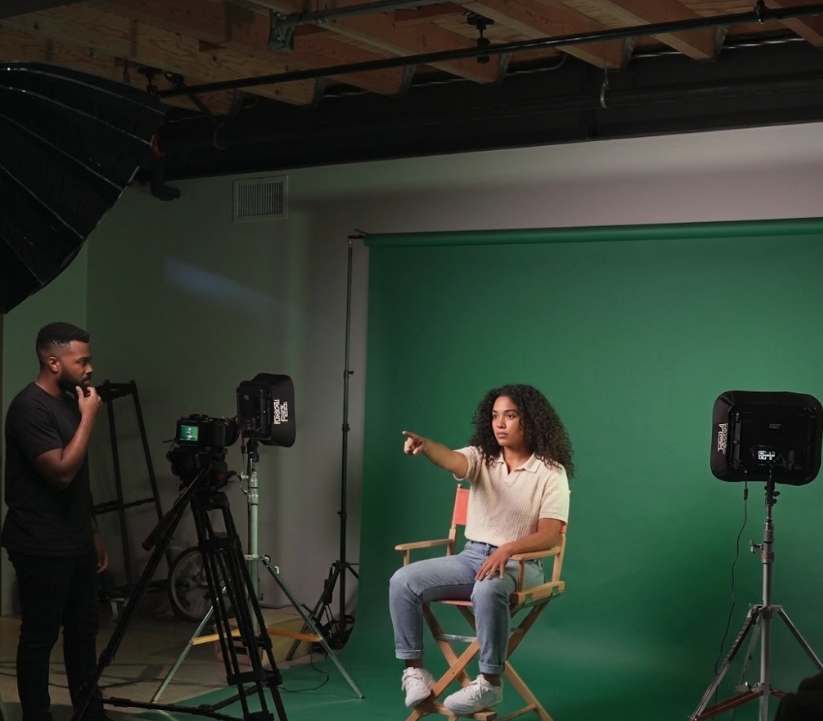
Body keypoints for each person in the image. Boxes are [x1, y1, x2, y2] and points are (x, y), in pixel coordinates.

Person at [389, 384, 573, 716]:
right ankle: (414, 671)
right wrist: (427, 446)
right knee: (403, 580)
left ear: (530, 421)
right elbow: (452, 460)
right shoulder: (481, 458)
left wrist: (509, 550)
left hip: (522, 565)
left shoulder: (550, 472)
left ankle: (489, 684)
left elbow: (548, 536)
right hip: (472, 557)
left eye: (511, 416)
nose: (500, 424)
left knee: (488, 590)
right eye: (495, 416)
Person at [1, 322, 109, 721]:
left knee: (84, 633)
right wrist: (88, 420)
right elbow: (61, 472)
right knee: (39, 638)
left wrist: (93, 531)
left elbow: (80, 480)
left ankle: (89, 713)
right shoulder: (29, 408)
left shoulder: (69, 403)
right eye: (81, 361)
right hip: (40, 542)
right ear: (52, 361)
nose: (89, 369)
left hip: (76, 539)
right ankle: (37, 716)